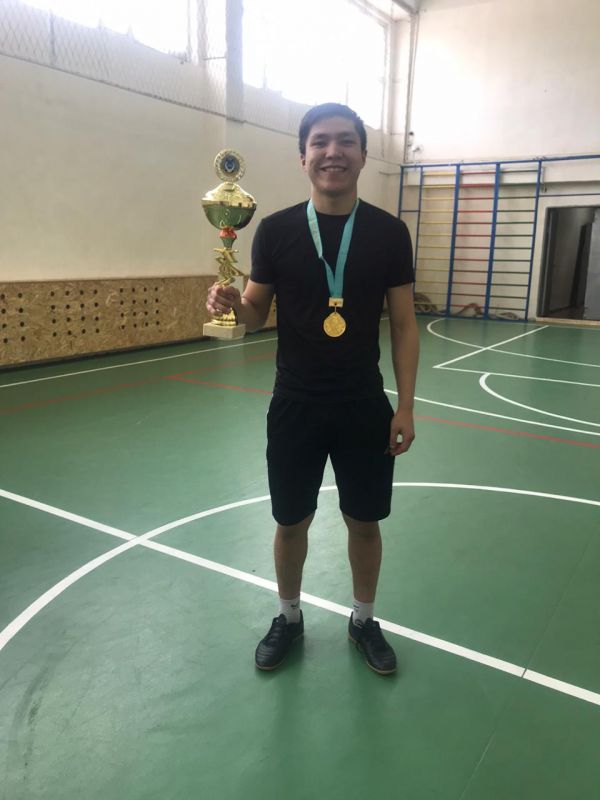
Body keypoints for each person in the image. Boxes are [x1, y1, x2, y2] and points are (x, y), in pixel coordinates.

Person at [206, 102, 419, 675]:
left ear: (363, 155)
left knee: (364, 521)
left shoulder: (389, 233)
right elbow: (256, 314)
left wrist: (405, 406)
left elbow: (404, 325)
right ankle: (289, 616)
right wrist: (233, 304)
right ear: (303, 157)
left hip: (363, 406)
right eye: (320, 142)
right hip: (294, 404)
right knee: (291, 521)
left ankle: (364, 619)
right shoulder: (275, 231)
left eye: (345, 141)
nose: (333, 152)